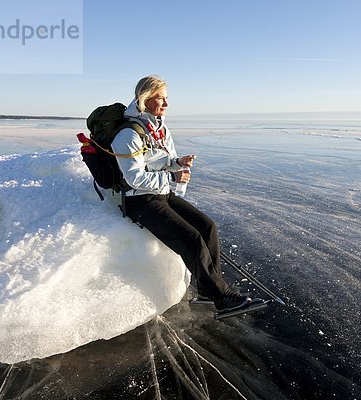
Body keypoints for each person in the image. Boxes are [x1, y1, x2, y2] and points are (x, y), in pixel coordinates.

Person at [111, 75, 258, 313]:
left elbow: (158, 159)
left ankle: (207, 291)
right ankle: (222, 297)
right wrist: (171, 176)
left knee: (207, 227)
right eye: (161, 98)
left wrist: (176, 161)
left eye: (166, 98)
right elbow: (133, 178)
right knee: (192, 240)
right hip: (140, 200)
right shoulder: (128, 135)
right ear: (145, 98)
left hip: (160, 193)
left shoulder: (157, 127)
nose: (166, 104)